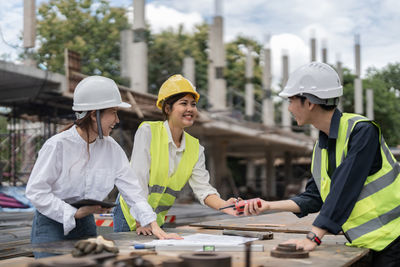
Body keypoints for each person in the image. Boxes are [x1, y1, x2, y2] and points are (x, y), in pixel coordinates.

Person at [243, 62, 400, 266]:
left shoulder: (361, 131)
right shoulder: (321, 148)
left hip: (394, 240)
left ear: (309, 102)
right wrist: (267, 206)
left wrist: (313, 237)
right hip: (369, 243)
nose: (289, 108)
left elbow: (346, 187)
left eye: (291, 100)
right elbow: (314, 197)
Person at [26, 76, 180, 258]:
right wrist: (73, 213)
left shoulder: (112, 148)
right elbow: (36, 192)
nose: (117, 120)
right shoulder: (58, 146)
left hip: (86, 222)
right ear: (94, 114)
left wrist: (154, 226)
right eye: (113, 112)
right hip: (52, 223)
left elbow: (133, 192)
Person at [113, 74, 239, 234]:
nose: (190, 109)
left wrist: (225, 205)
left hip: (155, 218)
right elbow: (139, 179)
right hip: (130, 214)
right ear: (167, 108)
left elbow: (203, 189)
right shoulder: (148, 131)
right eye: (183, 103)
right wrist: (141, 221)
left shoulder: (195, 148)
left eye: (193, 104)